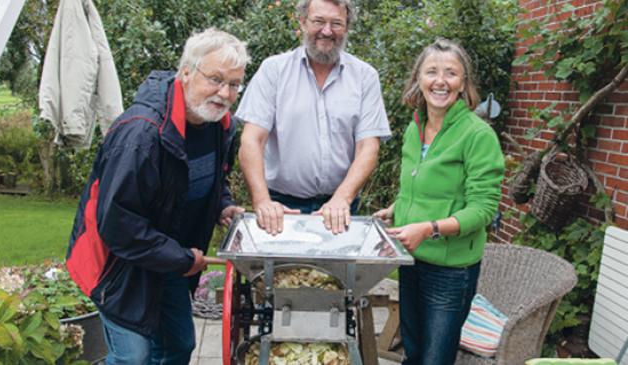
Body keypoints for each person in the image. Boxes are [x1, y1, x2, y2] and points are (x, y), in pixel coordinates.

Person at [65, 28, 249, 365]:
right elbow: (119, 225)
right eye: (215, 79)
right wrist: (182, 259)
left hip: (170, 257)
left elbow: (213, 178)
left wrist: (222, 205)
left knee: (179, 346)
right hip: (120, 265)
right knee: (133, 358)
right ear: (187, 72)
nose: (224, 93)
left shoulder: (220, 125)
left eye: (234, 84)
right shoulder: (141, 135)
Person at [373, 38, 505, 365]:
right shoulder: (415, 128)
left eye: (451, 73)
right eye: (431, 71)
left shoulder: (477, 134)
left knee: (435, 359)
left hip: (449, 271)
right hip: (412, 258)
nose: (440, 81)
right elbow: (417, 188)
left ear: (463, 84)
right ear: (419, 79)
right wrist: (396, 209)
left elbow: (483, 209)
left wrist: (429, 229)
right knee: (413, 352)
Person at [236, 0, 391, 235]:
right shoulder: (273, 71)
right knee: (278, 272)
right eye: (318, 21)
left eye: (336, 23)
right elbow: (251, 140)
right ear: (302, 22)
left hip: (340, 206)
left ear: (347, 27)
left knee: (335, 273)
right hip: (281, 206)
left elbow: (368, 148)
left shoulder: (365, 77)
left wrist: (342, 198)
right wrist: (262, 201)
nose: (327, 31)